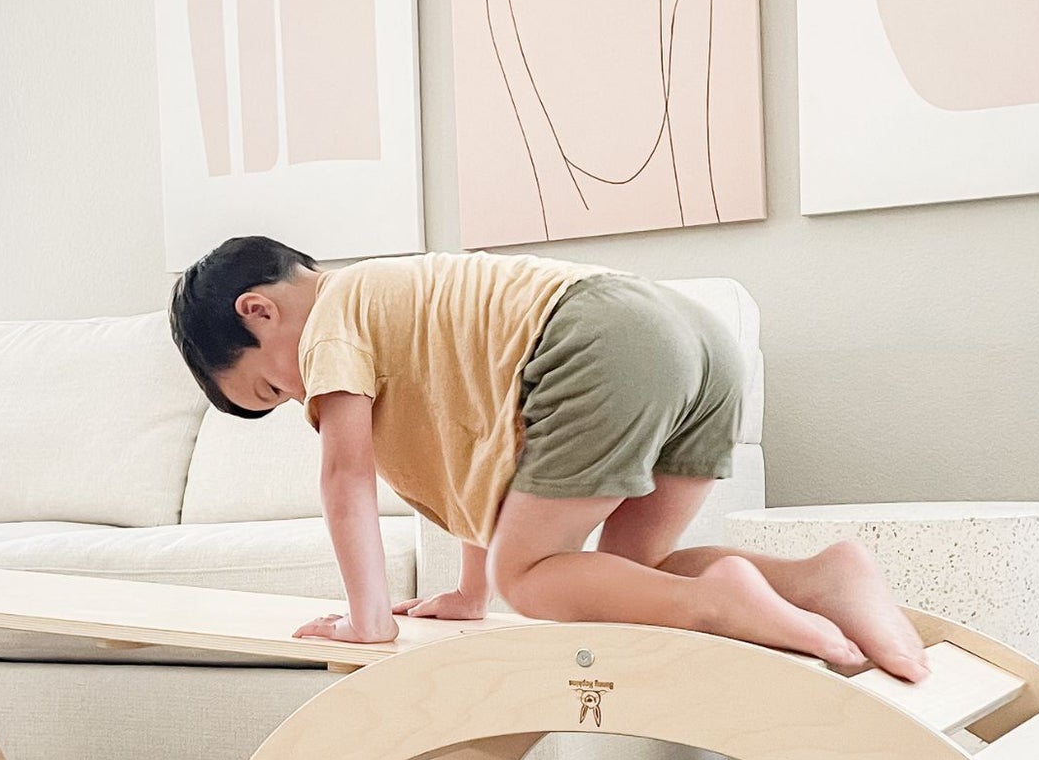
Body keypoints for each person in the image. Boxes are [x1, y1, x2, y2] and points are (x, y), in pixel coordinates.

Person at [167, 237, 927, 680]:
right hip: (689, 340)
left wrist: (369, 620)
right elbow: (474, 453)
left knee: (527, 579)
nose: (299, 397)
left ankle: (726, 597)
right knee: (624, 587)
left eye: (273, 383)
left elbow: (345, 478)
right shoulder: (409, 299)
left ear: (260, 310)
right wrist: (466, 592)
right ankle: (820, 579)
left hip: (604, 339)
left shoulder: (333, 317)